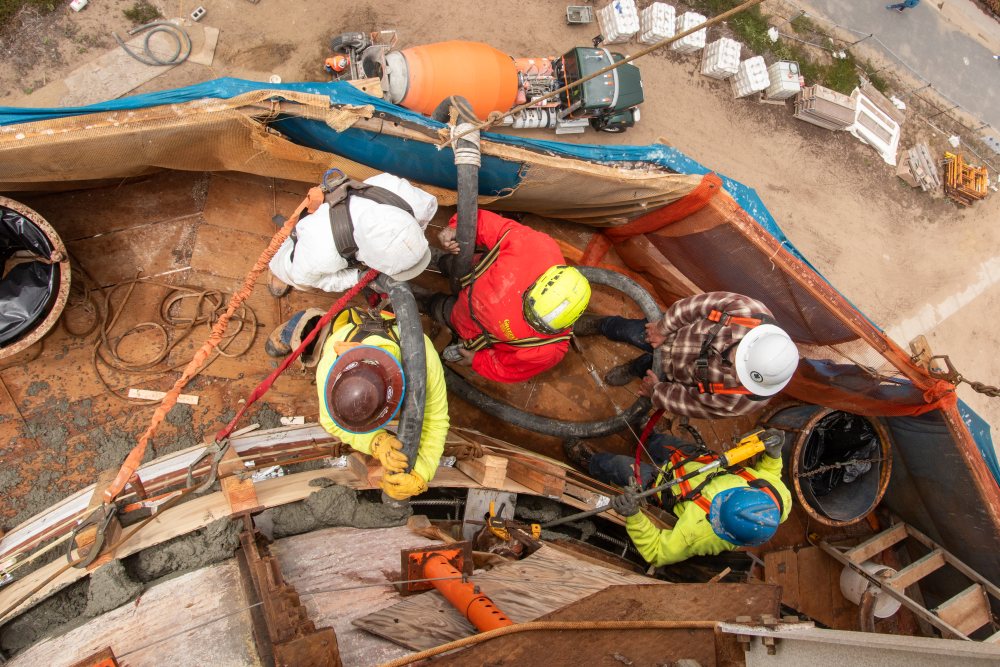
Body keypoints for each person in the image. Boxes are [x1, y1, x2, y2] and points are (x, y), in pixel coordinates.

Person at [266, 306, 449, 501]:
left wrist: (423, 471)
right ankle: (295, 327)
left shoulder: (424, 358)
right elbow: (330, 422)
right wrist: (376, 442)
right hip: (341, 330)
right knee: (307, 342)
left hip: (394, 327)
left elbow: (435, 420)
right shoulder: (328, 366)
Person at [564, 432, 792, 566]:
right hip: (694, 461)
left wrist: (634, 516)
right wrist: (773, 454)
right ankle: (649, 434)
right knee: (661, 441)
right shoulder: (778, 497)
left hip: (661, 486)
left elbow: (657, 552)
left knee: (619, 467)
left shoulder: (699, 535)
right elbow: (769, 474)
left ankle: (592, 462)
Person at [424, 210, 591, 383]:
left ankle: (428, 302)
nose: (529, 321)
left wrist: (477, 360)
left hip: (465, 321)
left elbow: (509, 368)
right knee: (450, 263)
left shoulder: (547, 350)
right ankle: (440, 261)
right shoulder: (537, 248)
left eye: (538, 325)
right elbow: (490, 225)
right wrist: (455, 228)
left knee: (437, 307)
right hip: (471, 270)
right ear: (535, 286)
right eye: (529, 312)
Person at [574, 291, 798, 419]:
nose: (735, 376)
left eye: (743, 380)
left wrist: (657, 391)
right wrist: (663, 327)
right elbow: (695, 306)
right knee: (623, 330)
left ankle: (633, 369)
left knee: (646, 369)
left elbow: (691, 403)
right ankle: (601, 324)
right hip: (669, 335)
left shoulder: (741, 402)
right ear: (751, 342)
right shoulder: (747, 311)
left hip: (673, 373)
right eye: (738, 367)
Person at [268, 172, 439, 296]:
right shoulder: (320, 255)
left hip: (346, 211)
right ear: (368, 258)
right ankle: (279, 270)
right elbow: (312, 279)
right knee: (294, 276)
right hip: (319, 232)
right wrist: (356, 277)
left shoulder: (414, 202)